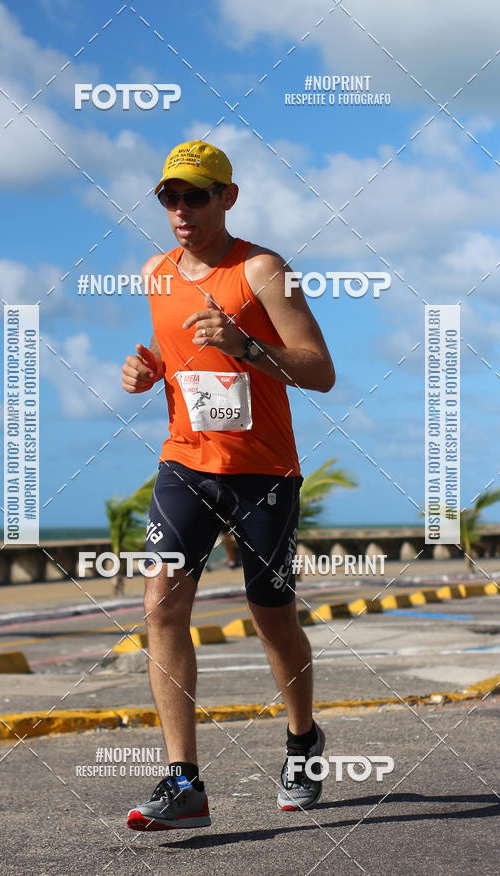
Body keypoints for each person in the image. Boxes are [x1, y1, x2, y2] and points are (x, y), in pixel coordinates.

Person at [121, 140, 335, 830]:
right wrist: (151, 371)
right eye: (169, 197)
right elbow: (182, 366)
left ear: (227, 198)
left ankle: (302, 740)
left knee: (272, 615)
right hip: (186, 462)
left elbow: (319, 370)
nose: (180, 209)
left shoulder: (265, 270)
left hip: (263, 471)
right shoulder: (155, 275)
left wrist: (246, 345)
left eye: (194, 195)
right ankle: (184, 782)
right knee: (161, 603)